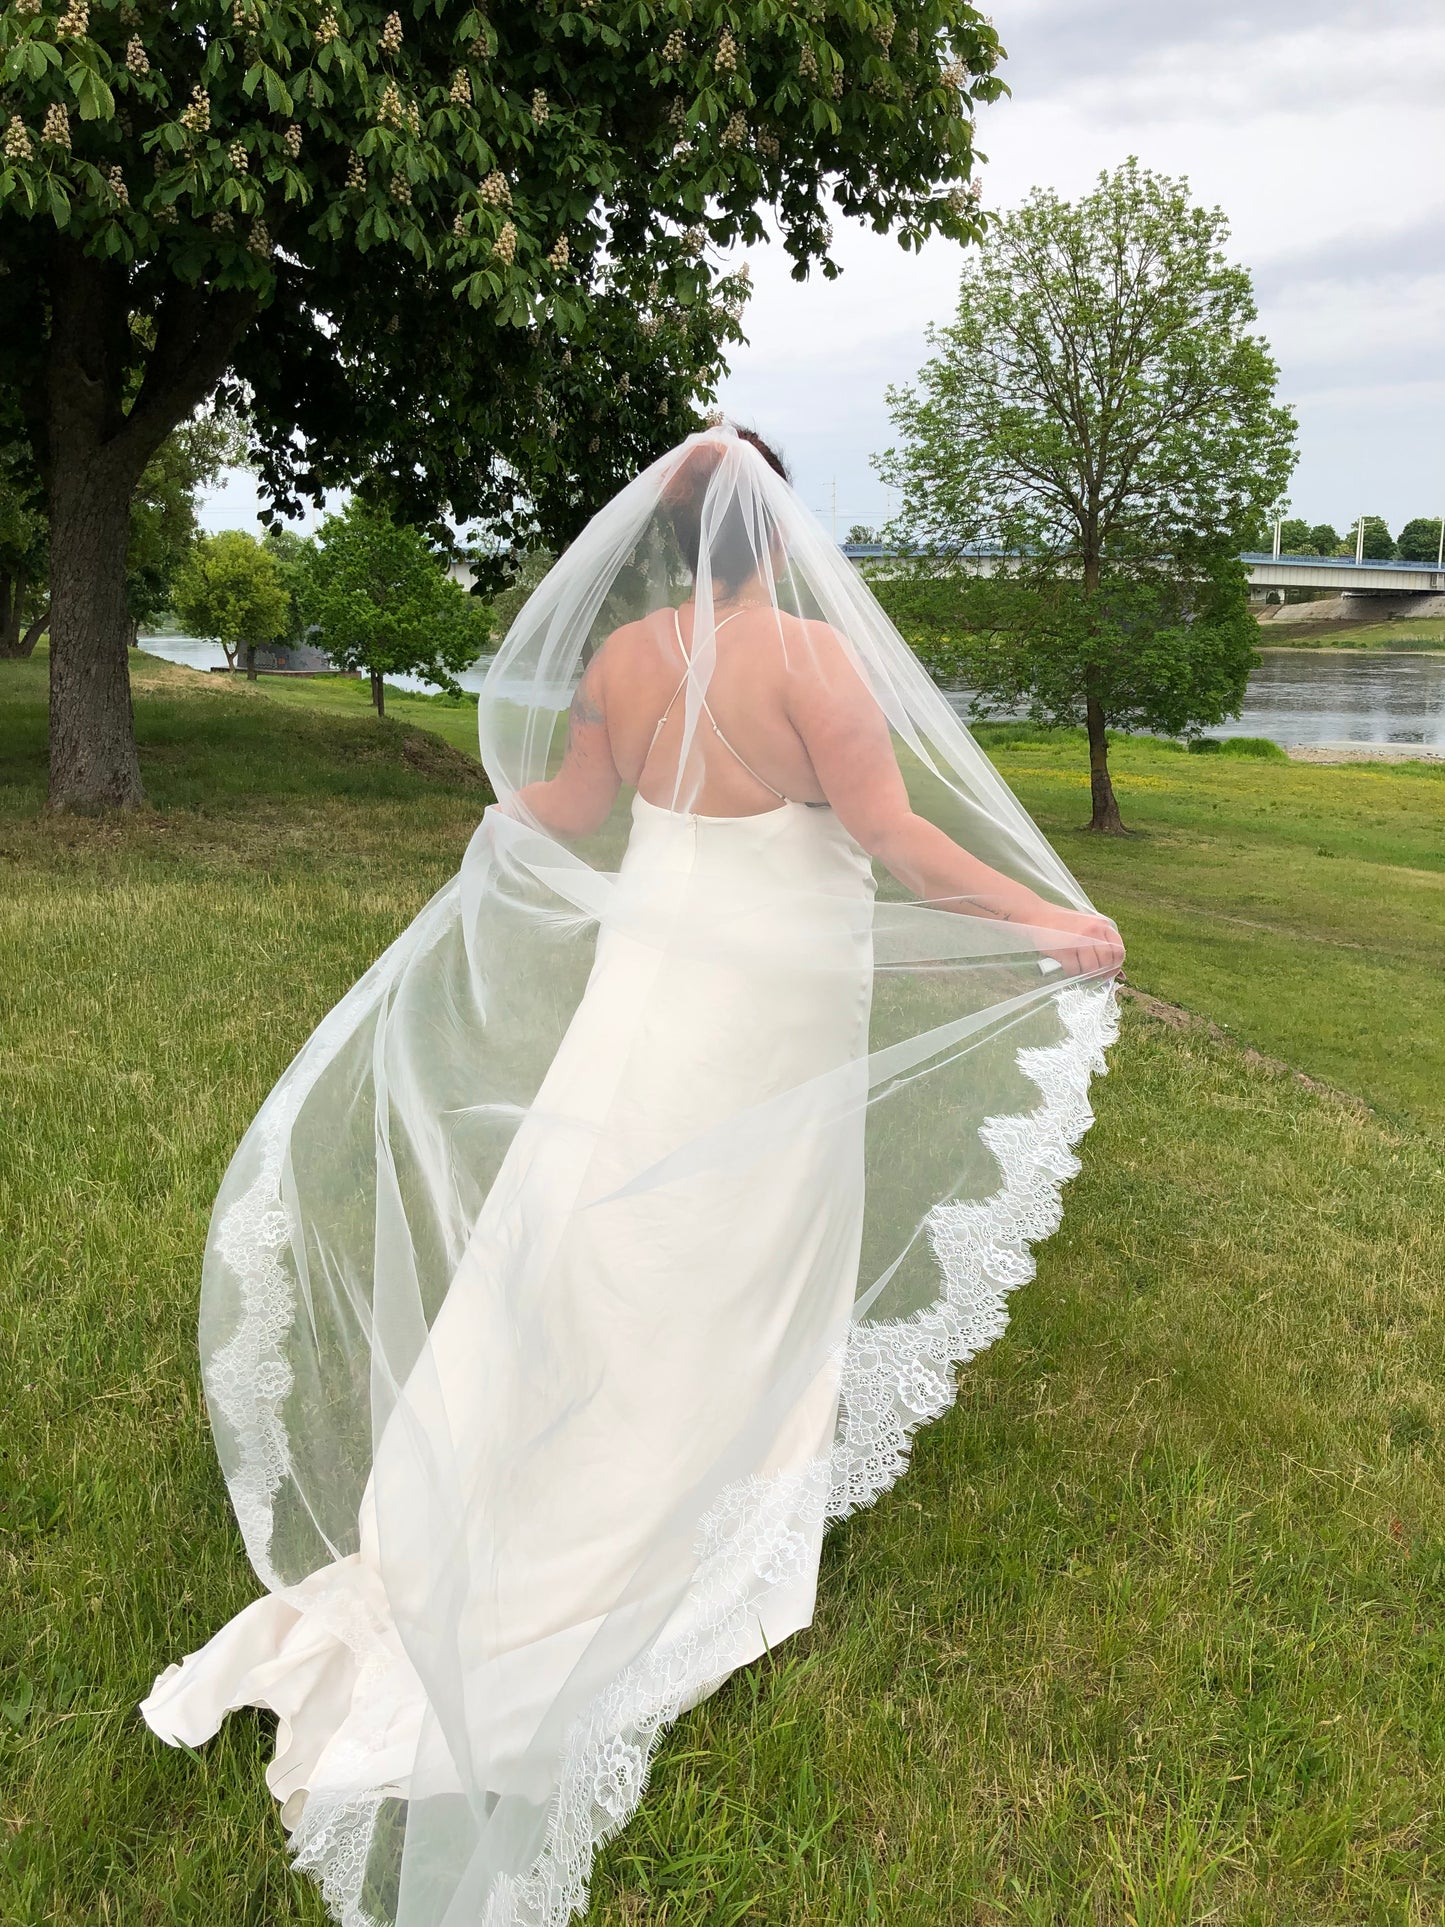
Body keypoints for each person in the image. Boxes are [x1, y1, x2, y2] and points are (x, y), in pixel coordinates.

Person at [141, 425, 1122, 1927]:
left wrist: (489, 835)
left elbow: (573, 811)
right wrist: (1056, 918)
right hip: (768, 1009)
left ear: (666, 544)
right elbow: (895, 840)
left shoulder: (622, 661)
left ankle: (543, 1482)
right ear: (782, 534)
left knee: (598, 1228)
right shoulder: (816, 665)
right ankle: (700, 1519)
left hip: (648, 993)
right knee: (741, 1244)